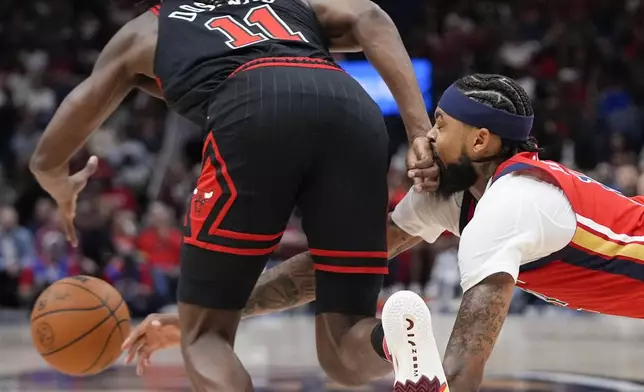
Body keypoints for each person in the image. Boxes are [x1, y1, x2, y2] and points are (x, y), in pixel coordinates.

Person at [125, 73, 644, 391]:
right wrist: (205, 316)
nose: (426, 137)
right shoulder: (451, 199)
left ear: (481, 141)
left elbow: (463, 367)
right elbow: (330, 264)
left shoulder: (510, 207)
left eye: (439, 124)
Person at [29, 0, 441, 390]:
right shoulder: (285, 4)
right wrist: (420, 132)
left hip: (251, 107)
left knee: (205, 334)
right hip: (351, 109)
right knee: (343, 348)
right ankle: (394, 340)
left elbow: (48, 156)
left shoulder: (149, 28)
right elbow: (370, 14)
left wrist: (59, 184)